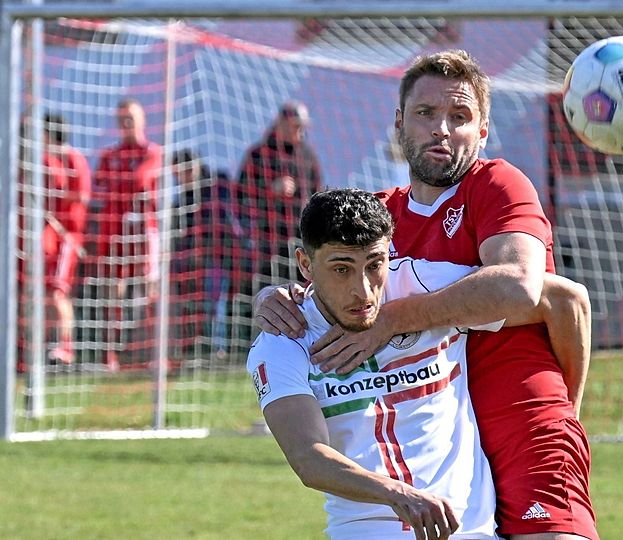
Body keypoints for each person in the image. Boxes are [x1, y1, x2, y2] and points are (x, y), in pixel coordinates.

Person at [255, 50, 597, 540]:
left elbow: (523, 286)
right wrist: (272, 296)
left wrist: (394, 319)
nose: (442, 129)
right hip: (443, 439)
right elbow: (328, 282)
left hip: (523, 415)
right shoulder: (380, 216)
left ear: (482, 132)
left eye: (460, 117)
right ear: (399, 123)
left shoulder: (497, 184)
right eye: (426, 114)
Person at [250, 188, 584, 539]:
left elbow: (565, 300)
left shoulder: (420, 284)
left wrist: (568, 421)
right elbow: (309, 458)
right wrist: (399, 495)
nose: (363, 291)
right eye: (341, 269)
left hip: (471, 530)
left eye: (375, 264)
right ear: (306, 265)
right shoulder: (283, 341)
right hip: (366, 531)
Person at [16, 113, 92, 368]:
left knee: (58, 293)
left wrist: (51, 200)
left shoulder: (67, 159)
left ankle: (65, 347)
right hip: (42, 238)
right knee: (34, 294)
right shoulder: (32, 161)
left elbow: (79, 195)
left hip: (65, 237)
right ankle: (33, 348)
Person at [92, 98, 163, 371]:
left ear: (142, 120)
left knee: (148, 292)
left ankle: (151, 353)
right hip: (116, 231)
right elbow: (99, 186)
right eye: (121, 119)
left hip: (144, 231)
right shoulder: (111, 155)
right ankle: (110, 356)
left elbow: (140, 181)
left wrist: (118, 183)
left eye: (130, 118)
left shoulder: (152, 152)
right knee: (113, 293)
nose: (125, 124)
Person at [236, 100, 323, 289]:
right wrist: (271, 190)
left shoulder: (308, 156)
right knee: (269, 292)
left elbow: (317, 194)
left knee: (301, 291)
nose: (301, 132)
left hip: (300, 238)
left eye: (303, 127)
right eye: (296, 126)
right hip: (267, 242)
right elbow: (241, 196)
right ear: (281, 123)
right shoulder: (258, 155)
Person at [170, 150, 242, 360]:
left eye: (186, 170)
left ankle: (218, 349)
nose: (182, 177)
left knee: (215, 303)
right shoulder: (181, 202)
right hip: (191, 263)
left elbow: (224, 223)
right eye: (178, 173)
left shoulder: (218, 188)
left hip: (219, 258)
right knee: (195, 306)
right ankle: (196, 349)